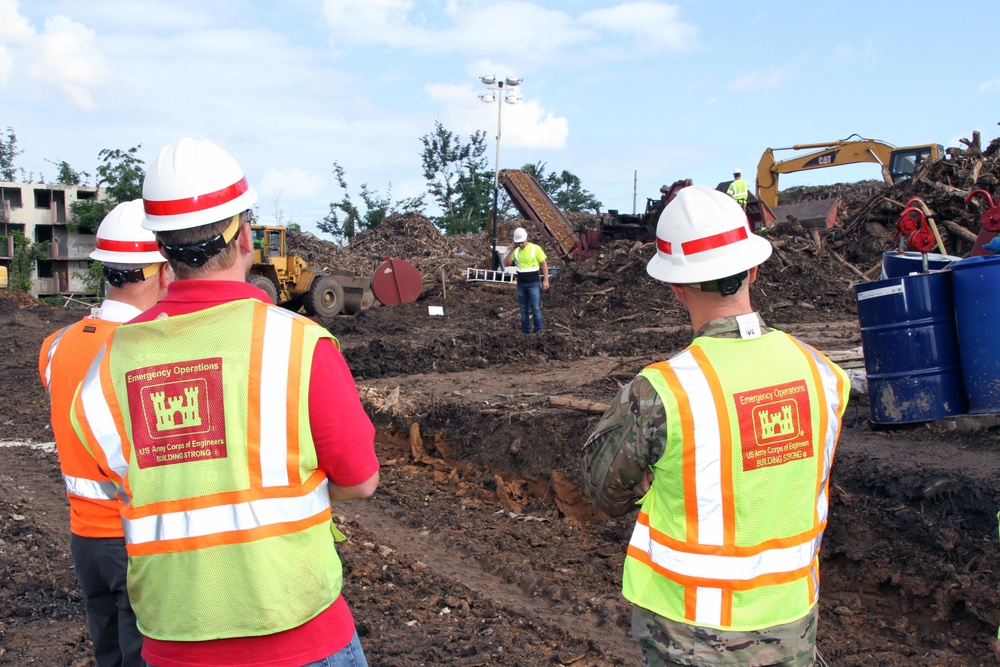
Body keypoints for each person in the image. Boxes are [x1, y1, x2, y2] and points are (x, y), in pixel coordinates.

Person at [70, 138, 380, 667]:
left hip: (172, 639)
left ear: (161, 251)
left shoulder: (106, 366)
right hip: (301, 636)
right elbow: (360, 480)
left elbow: (122, 483)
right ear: (244, 240)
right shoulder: (301, 346)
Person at [581, 185, 849, 667]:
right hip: (792, 622)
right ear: (753, 268)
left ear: (676, 286)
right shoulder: (824, 373)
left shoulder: (661, 391)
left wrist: (651, 482)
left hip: (689, 635)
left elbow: (603, 489)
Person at [39, 199, 173, 667]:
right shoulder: (152, 352)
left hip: (85, 540)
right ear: (159, 269)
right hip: (135, 538)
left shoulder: (54, 347)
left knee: (109, 653)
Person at [503, 226, 549, 333]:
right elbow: (506, 263)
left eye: (522, 242)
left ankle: (538, 331)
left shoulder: (535, 248)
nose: (521, 244)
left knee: (535, 308)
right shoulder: (516, 250)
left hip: (533, 283)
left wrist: (545, 280)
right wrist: (511, 249)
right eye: (518, 243)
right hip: (521, 284)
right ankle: (526, 332)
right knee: (524, 310)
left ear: (526, 238)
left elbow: (544, 263)